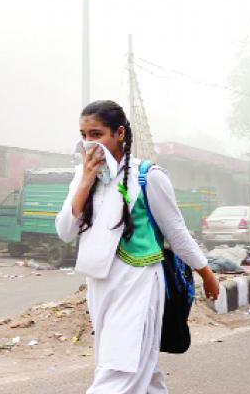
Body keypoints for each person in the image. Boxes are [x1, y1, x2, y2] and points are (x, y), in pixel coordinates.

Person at [55, 100, 219, 394]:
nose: (89, 143)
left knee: (121, 369)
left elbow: (176, 231)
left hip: (139, 282)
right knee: (137, 368)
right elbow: (65, 231)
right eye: (84, 135)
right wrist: (85, 182)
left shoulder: (148, 176)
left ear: (119, 133)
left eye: (97, 134)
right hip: (101, 284)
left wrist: (205, 272)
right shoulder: (83, 176)